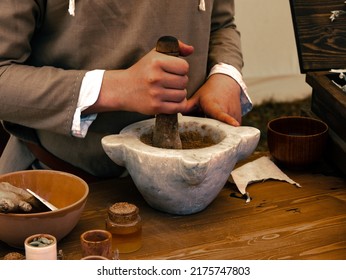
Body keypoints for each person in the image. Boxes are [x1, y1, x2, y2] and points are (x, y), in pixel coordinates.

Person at [0, 0, 252, 181]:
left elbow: (222, 25)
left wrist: (224, 73)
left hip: (192, 183)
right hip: (55, 186)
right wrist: (114, 89)